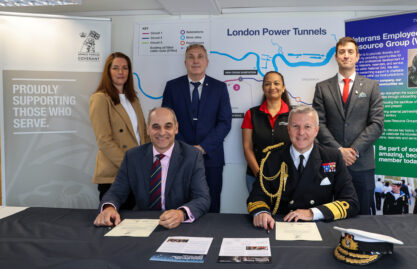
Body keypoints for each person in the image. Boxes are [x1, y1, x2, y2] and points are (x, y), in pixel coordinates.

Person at [94, 107, 210, 229]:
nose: (162, 132)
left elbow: (202, 198)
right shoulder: (133, 156)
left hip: (178, 225)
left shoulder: (192, 156)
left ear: (176, 128)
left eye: (168, 126)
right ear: (148, 129)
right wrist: (109, 208)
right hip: (142, 224)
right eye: (156, 127)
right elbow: (116, 192)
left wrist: (181, 214)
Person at [247, 106, 359, 231]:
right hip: (279, 225)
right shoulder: (272, 157)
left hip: (319, 225)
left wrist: (312, 213)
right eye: (295, 126)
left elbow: (351, 202)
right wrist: (262, 213)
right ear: (288, 129)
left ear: (316, 130)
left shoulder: (332, 157)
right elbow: (257, 195)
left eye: (307, 127)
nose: (301, 132)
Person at [312, 37, 384, 215]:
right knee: (328, 211)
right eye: (342, 52)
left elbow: (377, 123)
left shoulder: (371, 86)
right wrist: (339, 151)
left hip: (362, 163)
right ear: (336, 57)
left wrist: (353, 150)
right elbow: (317, 123)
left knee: (363, 214)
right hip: (330, 162)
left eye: (350, 52)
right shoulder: (322, 88)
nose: (346, 56)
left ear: (357, 56)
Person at [162, 44, 232, 213]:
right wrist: (186, 149)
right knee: (180, 203)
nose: (195, 61)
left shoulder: (219, 88)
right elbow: (167, 122)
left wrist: (202, 148)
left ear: (207, 61)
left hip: (211, 157)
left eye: (200, 56)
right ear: (185, 62)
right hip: (179, 156)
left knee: (212, 203)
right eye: (191, 57)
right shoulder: (172, 87)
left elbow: (224, 123)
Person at [89, 52, 148, 209]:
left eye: (125, 68)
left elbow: (143, 134)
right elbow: (104, 140)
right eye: (115, 68)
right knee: (115, 225)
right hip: (115, 174)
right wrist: (129, 166)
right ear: (108, 72)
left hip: (137, 172)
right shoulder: (101, 98)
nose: (121, 72)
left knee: (135, 225)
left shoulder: (133, 99)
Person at [241, 71, 291, 192]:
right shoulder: (251, 114)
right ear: (263, 88)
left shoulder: (293, 114)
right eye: (268, 84)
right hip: (255, 177)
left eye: (276, 83)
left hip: (287, 177)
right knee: (259, 211)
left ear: (283, 88)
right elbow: (247, 147)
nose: (272, 87)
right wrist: (259, 176)